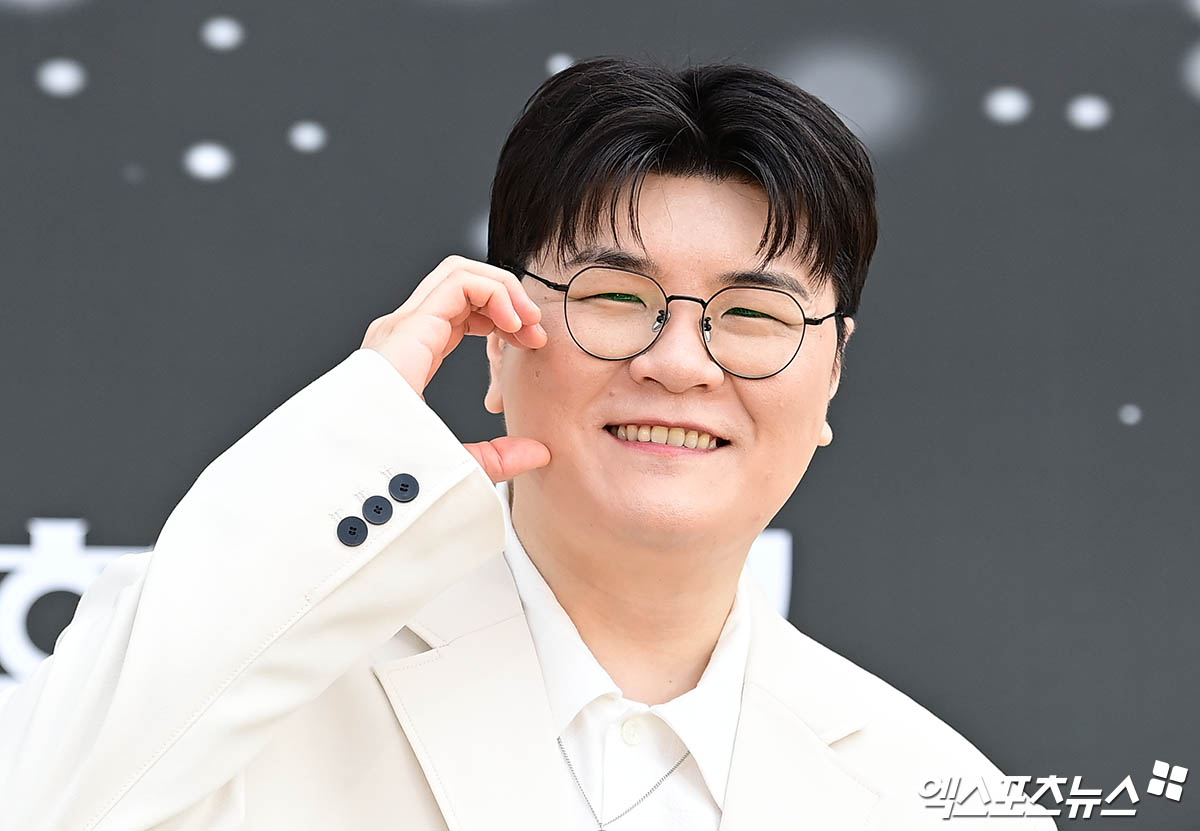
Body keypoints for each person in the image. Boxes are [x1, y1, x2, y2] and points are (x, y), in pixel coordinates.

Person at [0, 57, 1056, 830]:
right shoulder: (269, 692)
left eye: (751, 315)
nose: (679, 361)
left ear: (831, 374)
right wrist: (359, 431)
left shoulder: (938, 795)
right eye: (616, 296)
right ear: (499, 342)